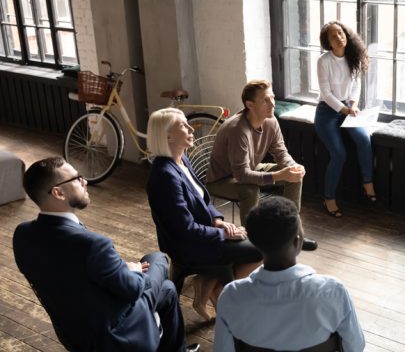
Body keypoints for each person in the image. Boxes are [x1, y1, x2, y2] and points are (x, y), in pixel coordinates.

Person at [13, 157, 199, 352]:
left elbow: (68, 275)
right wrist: (133, 270)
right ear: (58, 192)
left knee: (168, 289)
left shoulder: (22, 235)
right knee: (158, 259)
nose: (85, 181)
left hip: (73, 333)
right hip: (115, 335)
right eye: (77, 178)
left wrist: (117, 270)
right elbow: (133, 289)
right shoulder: (93, 245)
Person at [146, 108, 263, 322]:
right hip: (188, 245)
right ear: (167, 136)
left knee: (255, 240)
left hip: (204, 234)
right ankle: (220, 293)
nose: (191, 128)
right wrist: (224, 235)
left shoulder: (181, 160)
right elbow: (185, 230)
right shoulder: (165, 176)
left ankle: (209, 287)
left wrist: (219, 221)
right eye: (183, 125)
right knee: (261, 250)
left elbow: (204, 200)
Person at [213, 197, 365, 351]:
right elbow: (355, 346)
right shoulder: (333, 291)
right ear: (297, 242)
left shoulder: (231, 297)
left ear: (254, 242)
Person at [207, 79, 317, 251]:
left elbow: (280, 152)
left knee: (294, 176)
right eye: (265, 100)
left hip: (248, 169)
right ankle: (251, 242)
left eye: (272, 97)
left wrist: (292, 166)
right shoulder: (238, 130)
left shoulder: (270, 121)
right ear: (250, 105)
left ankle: (290, 233)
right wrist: (279, 175)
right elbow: (242, 175)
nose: (272, 103)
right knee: (249, 188)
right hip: (221, 179)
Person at [315, 21, 376, 217]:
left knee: (364, 139)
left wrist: (354, 104)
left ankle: (367, 183)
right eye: (333, 36)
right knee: (339, 154)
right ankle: (329, 198)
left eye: (340, 33)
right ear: (328, 42)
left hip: (348, 109)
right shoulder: (323, 61)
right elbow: (325, 93)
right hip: (327, 112)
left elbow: (356, 84)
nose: (339, 38)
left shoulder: (352, 56)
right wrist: (343, 109)